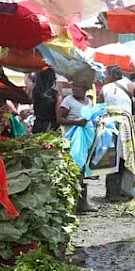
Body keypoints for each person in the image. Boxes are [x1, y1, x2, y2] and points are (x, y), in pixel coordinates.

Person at [57, 80, 95, 212]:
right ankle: (71, 202)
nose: (75, 89)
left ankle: (82, 203)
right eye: (74, 86)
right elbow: (60, 119)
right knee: (74, 168)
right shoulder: (68, 101)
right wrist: (76, 122)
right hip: (72, 140)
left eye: (78, 86)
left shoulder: (89, 102)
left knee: (82, 169)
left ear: (85, 88)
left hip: (86, 139)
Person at [31, 67, 60, 134]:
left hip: (37, 125)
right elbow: (59, 116)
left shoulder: (35, 92)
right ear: (53, 80)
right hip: (51, 127)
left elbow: (27, 81)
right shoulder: (57, 95)